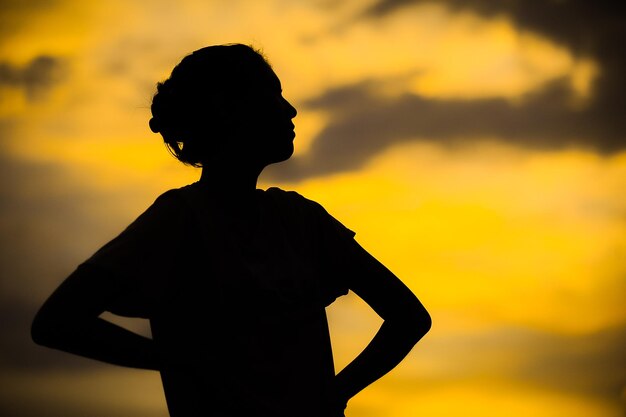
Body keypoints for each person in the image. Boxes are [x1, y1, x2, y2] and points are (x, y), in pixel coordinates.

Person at [31, 43, 431, 417]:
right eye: (273, 97)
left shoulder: (302, 221)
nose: (290, 110)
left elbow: (410, 318)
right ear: (230, 109)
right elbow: (57, 321)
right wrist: (177, 360)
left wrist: (335, 393)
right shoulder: (180, 221)